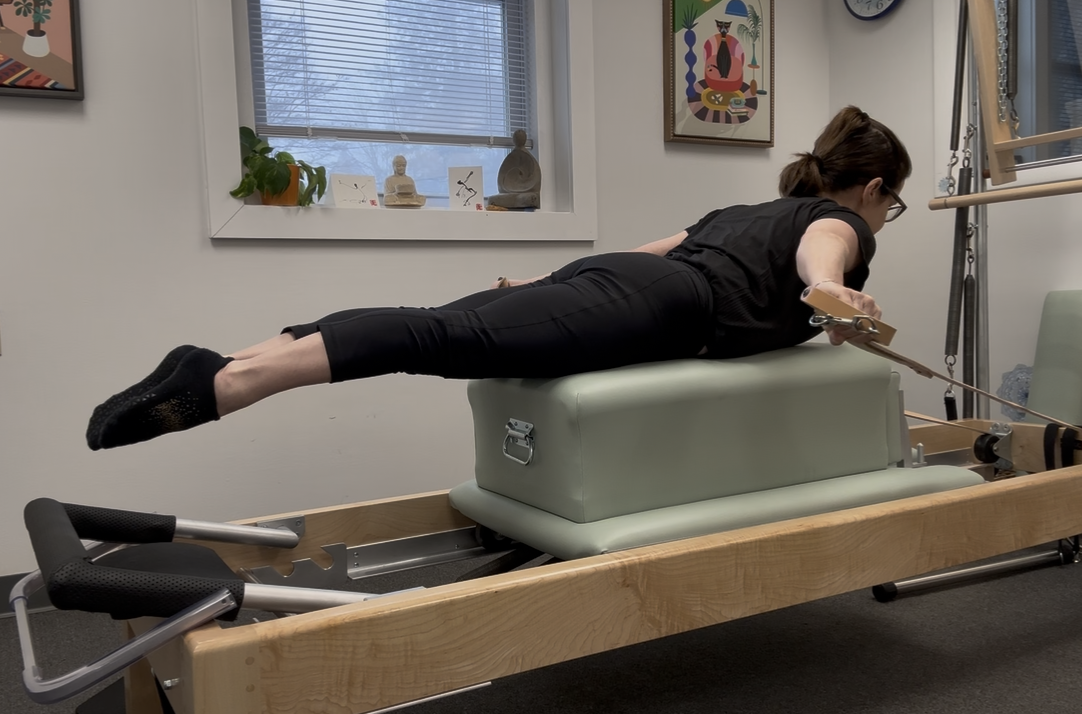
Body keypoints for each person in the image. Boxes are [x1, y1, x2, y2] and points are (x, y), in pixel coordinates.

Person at [86, 106, 910, 451]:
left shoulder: (743, 213)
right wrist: (841, 298)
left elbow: (648, 251)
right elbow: (823, 265)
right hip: (666, 305)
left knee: (436, 320)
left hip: (626, 279)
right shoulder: (831, 225)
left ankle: (232, 357)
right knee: (443, 337)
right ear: (872, 189)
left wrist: (544, 285)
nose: (883, 219)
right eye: (890, 205)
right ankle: (229, 383)